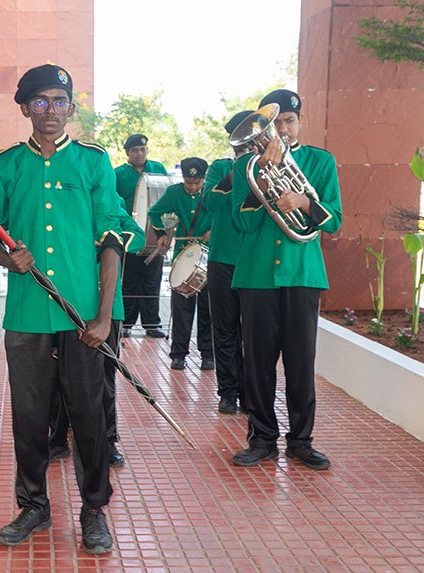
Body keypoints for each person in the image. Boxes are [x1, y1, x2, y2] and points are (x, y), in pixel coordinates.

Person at [0, 63, 123, 554]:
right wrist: (8, 258)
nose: (50, 110)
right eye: (39, 101)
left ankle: (94, 509)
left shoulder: (92, 162)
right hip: (26, 313)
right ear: (25, 108)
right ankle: (33, 505)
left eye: (59, 101)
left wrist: (104, 315)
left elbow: (112, 240)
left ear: (71, 108)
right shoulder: (5, 166)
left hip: (81, 314)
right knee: (28, 415)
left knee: (89, 415)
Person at [230, 89, 342, 470]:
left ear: (300, 122)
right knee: (257, 363)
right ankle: (262, 439)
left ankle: (301, 441)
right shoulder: (245, 167)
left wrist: (304, 202)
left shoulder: (320, 162)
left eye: (288, 121)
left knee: (300, 362)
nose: (282, 129)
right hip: (257, 275)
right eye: (274, 123)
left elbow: (334, 220)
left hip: (302, 275)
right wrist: (262, 180)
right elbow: (241, 222)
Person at [49, 198, 146, 468]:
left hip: (107, 305)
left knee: (104, 378)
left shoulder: (110, 201)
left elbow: (137, 236)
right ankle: (57, 439)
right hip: (65, 301)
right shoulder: (62, 199)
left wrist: (110, 243)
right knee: (57, 373)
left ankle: (107, 441)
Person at [201, 110, 253, 414]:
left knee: (255, 333)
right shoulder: (220, 167)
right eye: (241, 138)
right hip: (222, 259)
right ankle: (228, 392)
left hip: (254, 260)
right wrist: (237, 171)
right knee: (225, 329)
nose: (246, 143)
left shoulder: (267, 168)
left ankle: (251, 393)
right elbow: (210, 201)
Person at [149, 157, 214, 371]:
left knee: (207, 309)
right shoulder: (174, 193)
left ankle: (208, 354)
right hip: (183, 254)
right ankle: (178, 354)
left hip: (209, 254)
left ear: (204, 179)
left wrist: (213, 230)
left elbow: (224, 213)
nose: (193, 187)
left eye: (197, 182)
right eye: (188, 182)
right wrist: (161, 233)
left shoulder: (212, 193)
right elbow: (154, 213)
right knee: (181, 309)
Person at [115, 134, 169, 338]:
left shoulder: (158, 169)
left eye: (142, 149)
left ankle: (152, 323)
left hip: (155, 235)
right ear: (127, 153)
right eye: (135, 150)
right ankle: (126, 324)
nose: (139, 153)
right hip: (130, 236)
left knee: (152, 281)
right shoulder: (118, 174)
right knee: (128, 281)